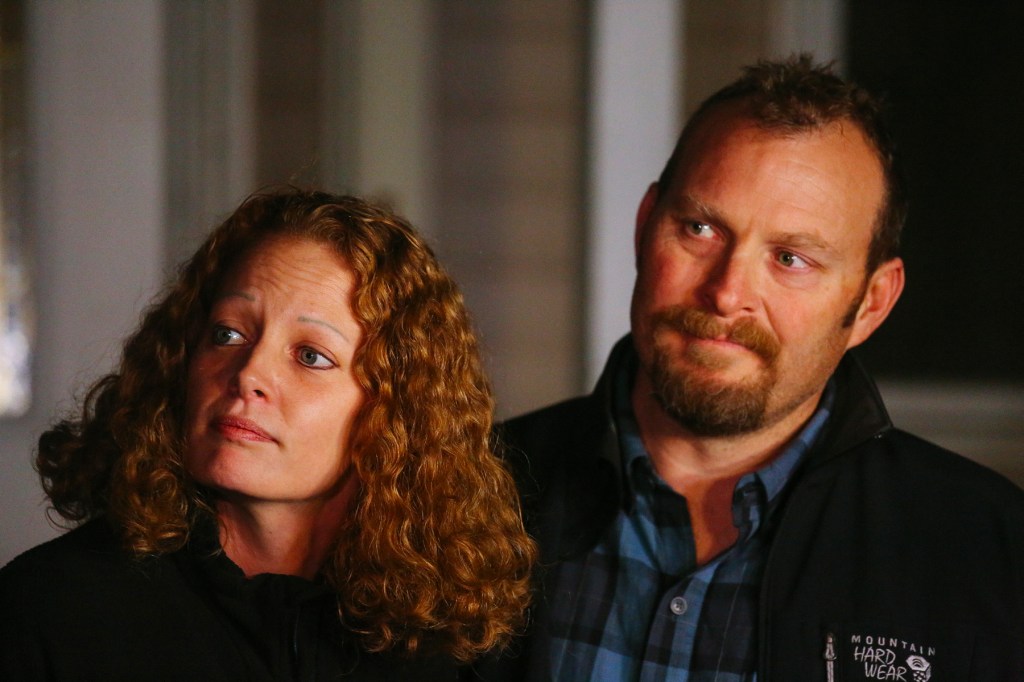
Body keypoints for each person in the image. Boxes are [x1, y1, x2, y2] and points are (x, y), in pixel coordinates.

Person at [475, 55, 1024, 681]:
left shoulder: (988, 555)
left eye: (791, 258)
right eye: (701, 228)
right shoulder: (466, 498)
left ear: (871, 303)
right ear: (644, 226)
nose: (727, 292)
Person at [0, 188, 536, 680]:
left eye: (310, 356)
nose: (249, 374)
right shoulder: (53, 609)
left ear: (396, 412)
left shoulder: (444, 643)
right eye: (228, 333)